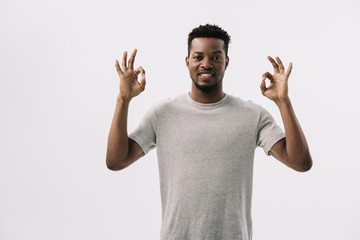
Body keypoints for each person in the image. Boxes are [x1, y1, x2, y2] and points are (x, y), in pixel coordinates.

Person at [106, 24, 312, 240]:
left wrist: (283, 102)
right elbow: (116, 161)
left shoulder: (252, 115)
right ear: (187, 62)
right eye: (198, 57)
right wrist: (123, 100)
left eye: (215, 57)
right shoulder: (162, 113)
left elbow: (300, 163)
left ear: (226, 62)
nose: (206, 64)